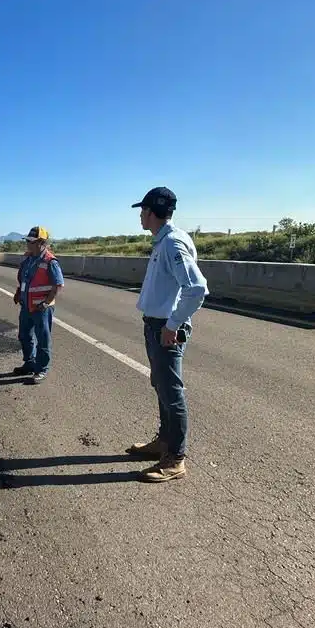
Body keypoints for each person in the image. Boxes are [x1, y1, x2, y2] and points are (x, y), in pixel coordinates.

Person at [128, 187, 208, 482]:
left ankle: (175, 458)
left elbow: (196, 288)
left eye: (142, 211)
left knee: (171, 392)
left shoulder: (172, 243)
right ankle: (164, 442)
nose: (140, 216)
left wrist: (173, 324)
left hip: (165, 328)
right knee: (162, 386)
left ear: (151, 212)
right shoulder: (163, 242)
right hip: (157, 324)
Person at [13, 226, 64, 384]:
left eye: (31, 241)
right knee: (24, 335)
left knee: (43, 339)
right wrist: (18, 293)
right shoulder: (29, 259)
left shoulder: (50, 262)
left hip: (41, 308)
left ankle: (41, 369)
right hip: (26, 306)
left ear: (42, 242)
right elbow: (25, 280)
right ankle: (30, 363)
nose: (28, 243)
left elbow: (58, 285)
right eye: (27, 240)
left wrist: (46, 303)